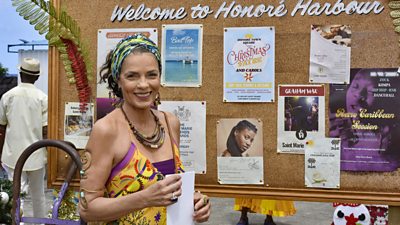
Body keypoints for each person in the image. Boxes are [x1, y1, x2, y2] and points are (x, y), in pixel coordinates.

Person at [78, 34, 210, 224]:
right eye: (132, 76)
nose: (143, 84)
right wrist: (143, 199)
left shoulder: (170, 123)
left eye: (151, 75)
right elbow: (87, 209)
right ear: (118, 80)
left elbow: (170, 188)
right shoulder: (106, 130)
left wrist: (195, 201)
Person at [0, 57, 48, 219]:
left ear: (20, 73)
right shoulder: (42, 98)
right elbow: (46, 129)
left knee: (14, 194)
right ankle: (40, 223)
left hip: (12, 155)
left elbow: (1, 127)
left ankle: (14, 221)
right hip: (36, 155)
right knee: (38, 195)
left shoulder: (7, 96)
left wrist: (0, 153)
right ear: (37, 77)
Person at [222, 121, 296, 225]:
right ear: (236, 132)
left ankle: (268, 217)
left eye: (250, 140)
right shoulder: (230, 154)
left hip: (272, 143)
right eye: (247, 138)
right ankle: (243, 216)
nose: (248, 143)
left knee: (270, 182)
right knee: (246, 184)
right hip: (251, 159)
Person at [329, 68, 400, 171]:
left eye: (370, 91)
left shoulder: (391, 140)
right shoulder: (335, 128)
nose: (358, 95)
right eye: (355, 86)